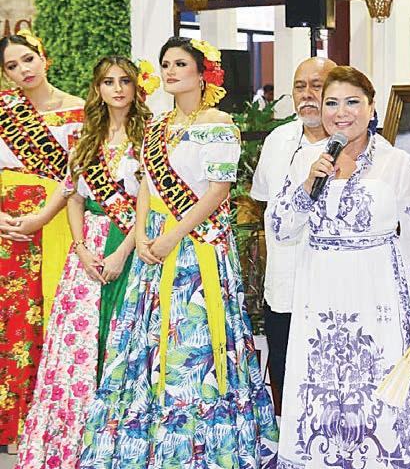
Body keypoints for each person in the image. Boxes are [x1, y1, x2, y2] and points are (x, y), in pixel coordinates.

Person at [78, 37, 278, 468]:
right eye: (166, 64)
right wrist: (143, 235)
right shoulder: (156, 126)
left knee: (193, 339)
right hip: (154, 245)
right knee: (147, 338)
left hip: (196, 246)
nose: (170, 71)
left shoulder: (219, 123)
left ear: (203, 73)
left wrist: (174, 235)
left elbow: (218, 192)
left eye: (180, 64)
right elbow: (145, 187)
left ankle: (200, 444)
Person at [270, 66, 410, 468]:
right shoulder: (306, 161)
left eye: (352, 102)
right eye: (332, 103)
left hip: (378, 298)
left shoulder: (397, 163)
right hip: (320, 301)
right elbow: (281, 228)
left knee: (379, 401)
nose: (341, 112)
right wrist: (307, 187)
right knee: (323, 400)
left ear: (371, 108)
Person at [15, 56, 154, 469]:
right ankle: (71, 441)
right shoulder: (84, 135)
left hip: (129, 244)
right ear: (97, 88)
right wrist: (80, 247)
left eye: (125, 81)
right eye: (108, 82)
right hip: (88, 247)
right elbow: (74, 196)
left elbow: (148, 204)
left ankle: (116, 443)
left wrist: (122, 252)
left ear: (136, 87)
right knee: (78, 343)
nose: (117, 89)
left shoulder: (150, 134)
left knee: (121, 338)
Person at [0, 30, 84, 448]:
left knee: (53, 314)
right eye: (12, 66)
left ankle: (46, 420)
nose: (23, 70)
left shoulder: (81, 110)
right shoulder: (4, 111)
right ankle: (9, 421)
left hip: (58, 220)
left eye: (28, 59)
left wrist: (42, 216)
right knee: (12, 318)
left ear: (43, 57)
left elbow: (78, 175)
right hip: (6, 226)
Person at [251, 56, 336, 405]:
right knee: (287, 390)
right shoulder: (278, 139)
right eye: (300, 87)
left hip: (332, 294)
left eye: (317, 86)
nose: (307, 94)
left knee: (329, 392)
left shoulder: (352, 145)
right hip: (282, 289)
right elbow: (260, 202)